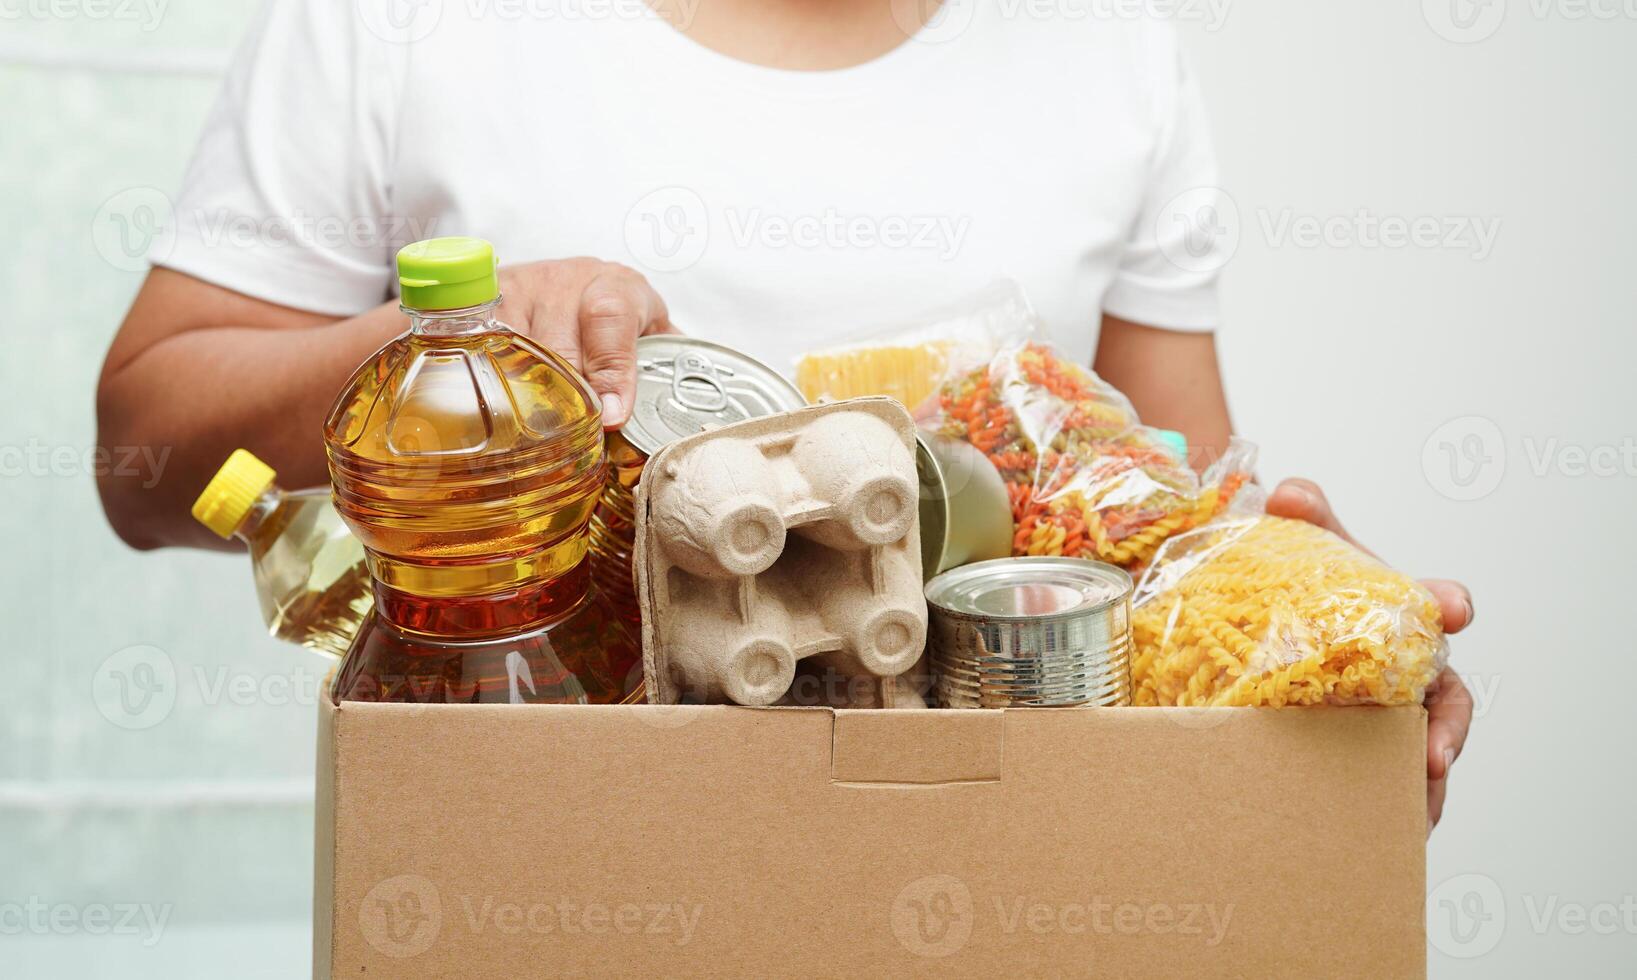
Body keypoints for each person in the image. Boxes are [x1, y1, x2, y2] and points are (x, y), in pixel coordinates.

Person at [93, 0, 1472, 826]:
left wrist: (1303, 641)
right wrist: (448, 340)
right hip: (539, 845)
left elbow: (1166, 514)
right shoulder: (406, 22)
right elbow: (142, 452)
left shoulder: (1106, 47)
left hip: (993, 863)